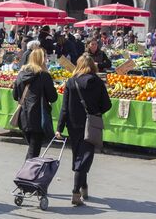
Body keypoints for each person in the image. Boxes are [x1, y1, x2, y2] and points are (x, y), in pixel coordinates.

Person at [55, 53, 111, 206]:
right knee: (85, 157)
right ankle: (75, 191)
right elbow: (107, 105)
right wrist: (95, 110)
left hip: (73, 124)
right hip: (91, 124)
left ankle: (83, 187)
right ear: (93, 65)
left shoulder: (71, 82)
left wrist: (59, 127)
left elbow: (64, 108)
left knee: (78, 156)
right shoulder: (97, 82)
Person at [13, 48, 58, 160]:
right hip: (38, 117)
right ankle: (25, 175)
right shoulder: (44, 76)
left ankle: (27, 174)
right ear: (42, 59)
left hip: (23, 116)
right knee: (33, 152)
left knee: (32, 148)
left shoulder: (21, 74)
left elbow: (15, 95)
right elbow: (53, 98)